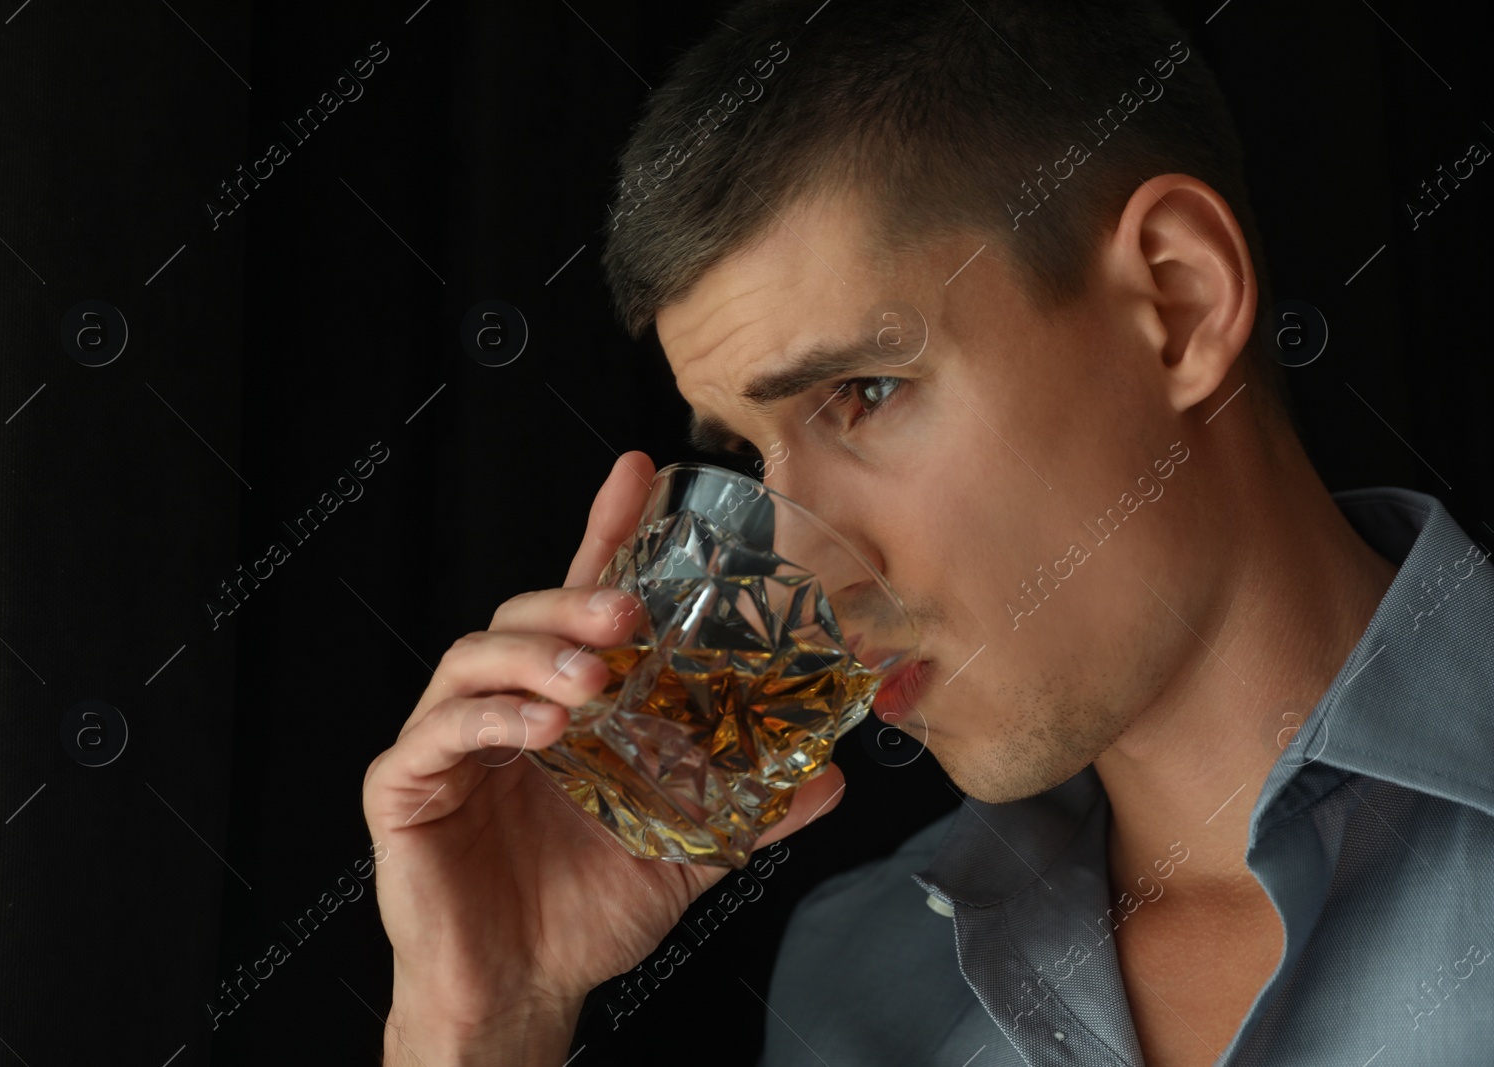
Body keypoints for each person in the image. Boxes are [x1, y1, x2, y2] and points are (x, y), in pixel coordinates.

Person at [362, 0, 1494, 1063]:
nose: (795, 571)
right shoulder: (857, 985)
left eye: (864, 392)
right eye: (749, 461)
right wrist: (486, 1016)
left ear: (1178, 300)